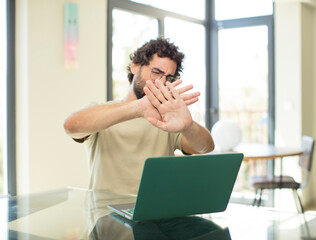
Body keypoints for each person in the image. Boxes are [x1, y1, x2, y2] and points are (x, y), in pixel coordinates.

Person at [63, 37, 215, 195]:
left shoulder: (167, 120)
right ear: (135, 66)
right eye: (156, 72)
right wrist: (138, 108)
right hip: (106, 216)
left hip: (156, 215)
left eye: (168, 78)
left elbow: (205, 147)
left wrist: (188, 126)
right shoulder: (103, 111)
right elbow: (71, 126)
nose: (161, 82)